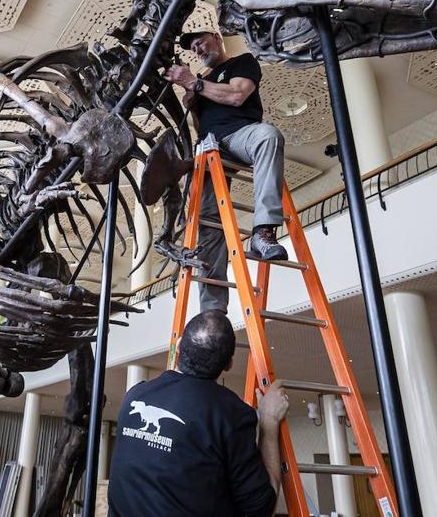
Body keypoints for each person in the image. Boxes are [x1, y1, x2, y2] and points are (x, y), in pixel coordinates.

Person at [108, 310, 290, 517]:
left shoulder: (134, 395)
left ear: (177, 349)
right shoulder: (232, 413)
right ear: (229, 364)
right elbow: (261, 508)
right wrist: (268, 421)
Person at [165, 30, 288, 312]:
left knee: (268, 135)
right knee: (208, 224)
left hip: (241, 135)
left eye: (201, 42)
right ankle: (213, 309)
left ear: (217, 38)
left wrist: (192, 83)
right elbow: (199, 124)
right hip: (209, 148)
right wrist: (192, 98)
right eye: (193, 48)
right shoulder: (200, 81)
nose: (197, 49)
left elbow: (237, 96)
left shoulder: (242, 62)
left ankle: (263, 232)